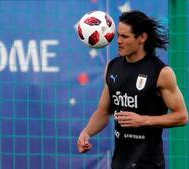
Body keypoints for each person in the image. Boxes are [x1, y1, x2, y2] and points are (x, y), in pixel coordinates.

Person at [77, 10, 188, 169]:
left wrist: (144, 120)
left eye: (125, 37)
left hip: (148, 164)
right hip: (120, 162)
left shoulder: (162, 72)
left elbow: (182, 117)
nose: (118, 41)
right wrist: (87, 132)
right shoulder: (112, 67)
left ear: (142, 38)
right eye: (118, 36)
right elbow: (103, 111)